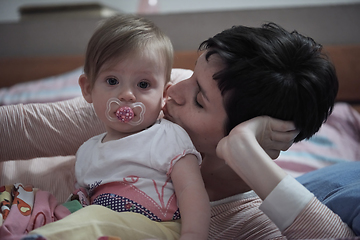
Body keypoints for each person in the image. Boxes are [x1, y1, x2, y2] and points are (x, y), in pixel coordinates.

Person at [0, 19, 355, 239]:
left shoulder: (248, 224)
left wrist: (247, 152)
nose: (172, 91)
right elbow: (22, 129)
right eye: (186, 73)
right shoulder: (142, 103)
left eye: (199, 100)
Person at [29, 15, 209, 240]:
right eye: (112, 81)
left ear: (163, 95)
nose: (127, 95)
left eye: (143, 84)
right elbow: (84, 201)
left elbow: (191, 190)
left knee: (96, 218)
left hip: (160, 230)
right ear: (88, 89)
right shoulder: (86, 152)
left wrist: (192, 235)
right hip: (102, 229)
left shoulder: (167, 136)